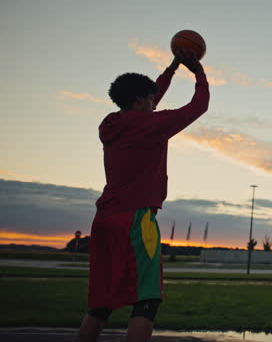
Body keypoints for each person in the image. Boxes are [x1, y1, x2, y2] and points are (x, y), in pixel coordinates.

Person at [76, 50, 209, 342]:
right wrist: (198, 73)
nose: (154, 102)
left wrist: (171, 70)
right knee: (146, 299)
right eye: (149, 98)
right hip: (136, 218)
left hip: (105, 219)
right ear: (139, 99)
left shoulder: (112, 123)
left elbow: (152, 97)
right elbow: (199, 106)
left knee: (101, 302)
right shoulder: (151, 125)